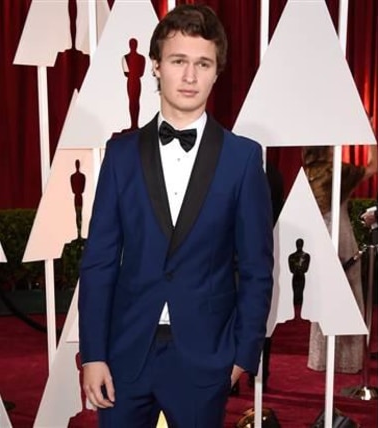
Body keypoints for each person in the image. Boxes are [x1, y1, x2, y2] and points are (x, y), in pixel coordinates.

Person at [78, 5, 273, 427]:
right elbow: (99, 262)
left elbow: (257, 268)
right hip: (125, 352)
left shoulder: (242, 159)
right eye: (178, 61)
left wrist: (244, 354)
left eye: (202, 64)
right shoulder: (120, 155)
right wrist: (92, 353)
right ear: (156, 67)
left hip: (206, 356)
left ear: (216, 72)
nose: (189, 76)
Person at [303, 145, 378, 374]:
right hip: (341, 236)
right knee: (350, 294)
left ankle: (321, 358)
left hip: (318, 236)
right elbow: (372, 168)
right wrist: (371, 141)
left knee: (322, 296)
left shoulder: (308, 172)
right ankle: (347, 360)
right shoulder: (338, 171)